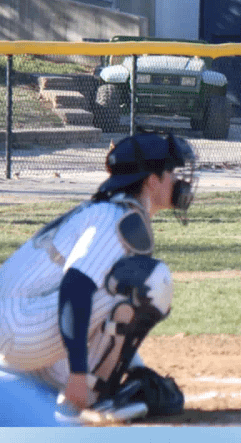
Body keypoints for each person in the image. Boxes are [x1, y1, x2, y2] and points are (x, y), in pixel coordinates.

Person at [0, 132, 194, 424]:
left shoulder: (109, 210)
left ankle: (27, 380)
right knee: (153, 281)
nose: (179, 182)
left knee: (124, 285)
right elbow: (75, 288)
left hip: (18, 329)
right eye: (172, 173)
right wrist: (79, 375)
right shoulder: (115, 218)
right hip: (23, 327)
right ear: (151, 180)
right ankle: (99, 396)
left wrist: (134, 367)